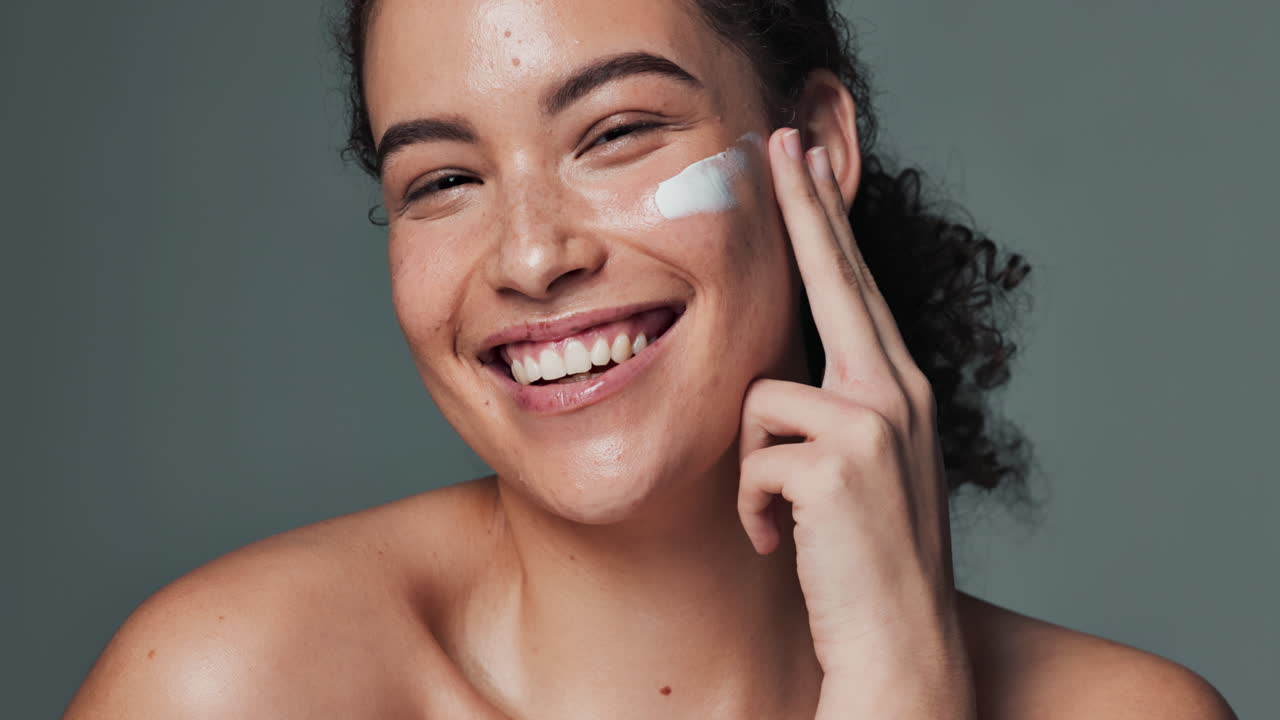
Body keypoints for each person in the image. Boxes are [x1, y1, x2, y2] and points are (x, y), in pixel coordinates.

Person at [64, 0, 1237, 717]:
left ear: (818, 150)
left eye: (616, 133)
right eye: (443, 181)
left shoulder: (1127, 714)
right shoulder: (236, 689)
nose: (529, 256)